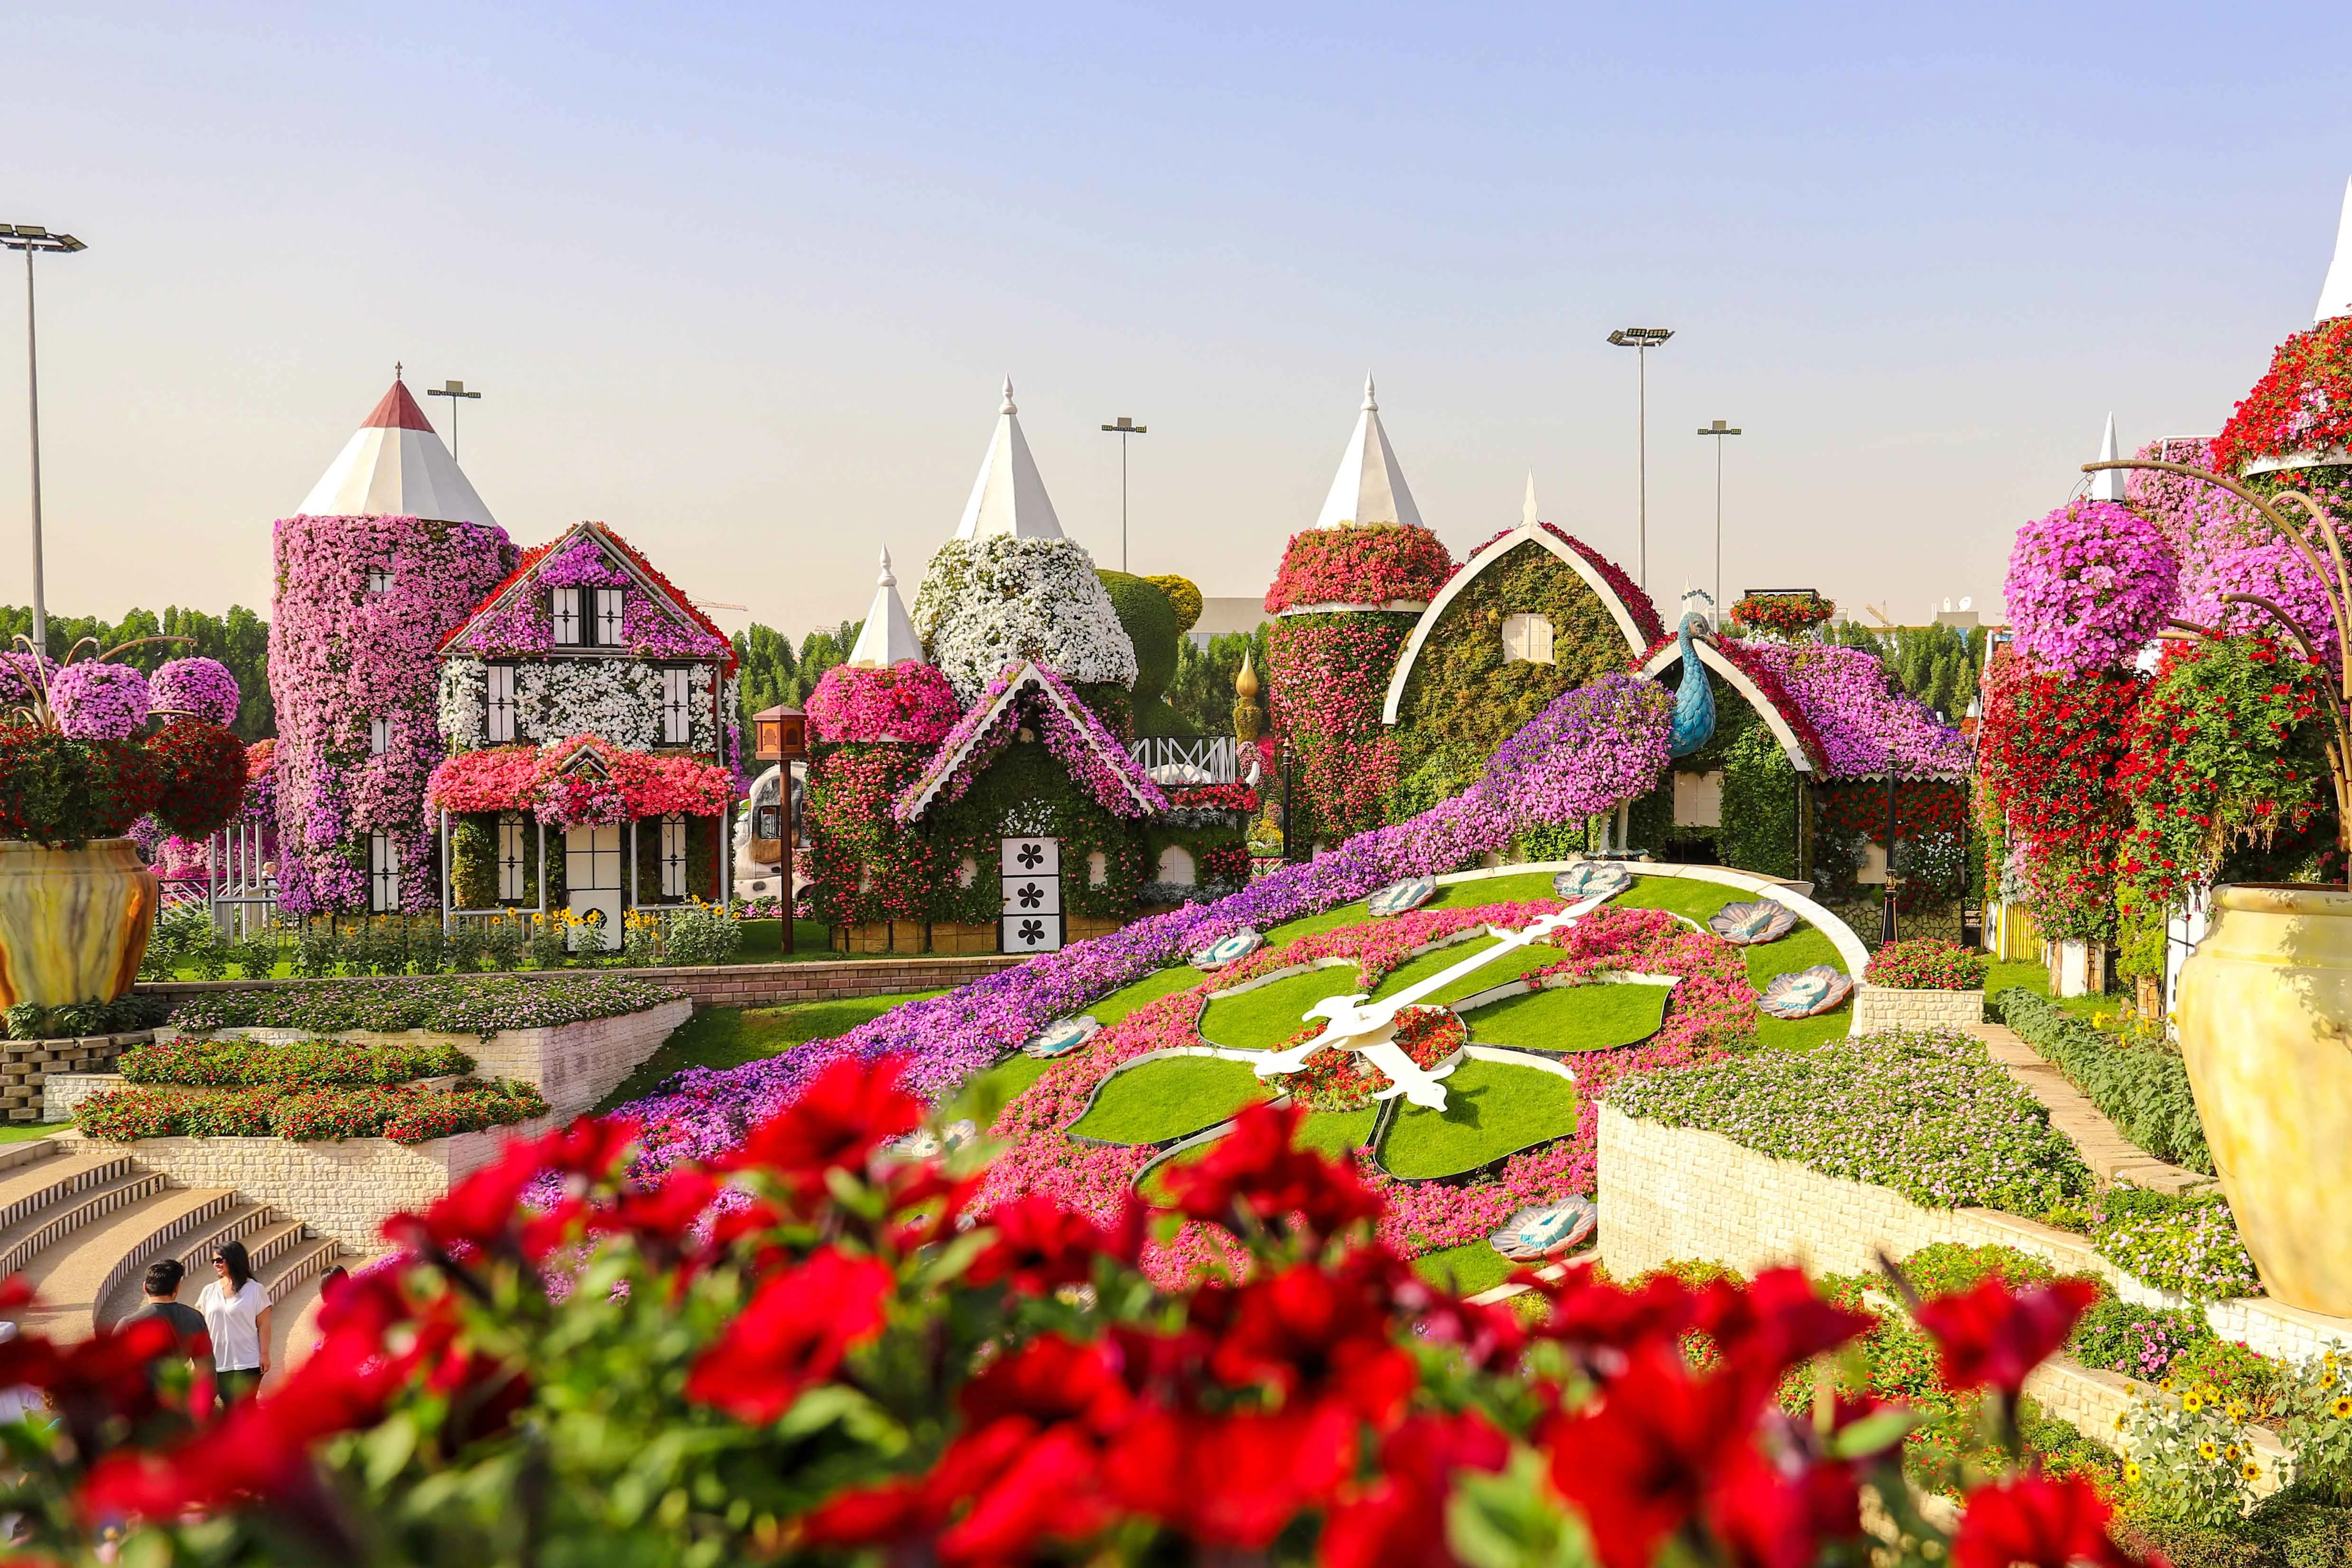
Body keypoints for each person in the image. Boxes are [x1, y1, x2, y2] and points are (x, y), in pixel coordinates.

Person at [195, 1241, 270, 1405]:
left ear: (234, 1259)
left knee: (245, 1407)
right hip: (218, 1361)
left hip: (248, 1361)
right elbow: (201, 1325)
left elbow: (264, 1324)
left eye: (220, 1260)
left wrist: (264, 1354)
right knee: (229, 1409)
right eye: (214, 1261)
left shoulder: (256, 1290)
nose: (216, 1264)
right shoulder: (209, 1291)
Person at [127, 1258, 209, 1378]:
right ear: (177, 1288)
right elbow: (205, 1366)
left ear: (145, 1287)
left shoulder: (130, 1324)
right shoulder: (194, 1317)